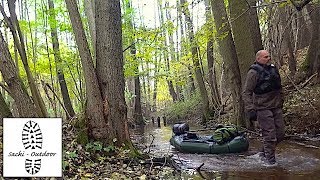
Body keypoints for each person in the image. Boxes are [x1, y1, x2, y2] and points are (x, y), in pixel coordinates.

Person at [242, 50, 285, 167]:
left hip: (276, 106)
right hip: (262, 107)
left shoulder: (273, 69)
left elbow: (279, 87)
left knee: (280, 133)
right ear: (258, 59)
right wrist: (250, 109)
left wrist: (281, 99)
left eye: (269, 56)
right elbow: (246, 92)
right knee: (269, 135)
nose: (268, 58)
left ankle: (263, 153)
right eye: (266, 57)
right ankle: (270, 162)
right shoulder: (253, 73)